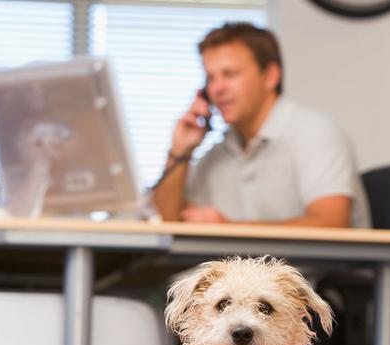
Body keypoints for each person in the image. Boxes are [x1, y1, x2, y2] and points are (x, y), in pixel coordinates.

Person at [153, 22, 370, 228]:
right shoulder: (221, 150)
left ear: (270, 76)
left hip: (317, 268)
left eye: (230, 74)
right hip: (248, 266)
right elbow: (173, 221)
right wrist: (180, 152)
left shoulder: (315, 132)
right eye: (210, 78)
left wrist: (230, 229)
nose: (217, 88)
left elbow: (331, 223)